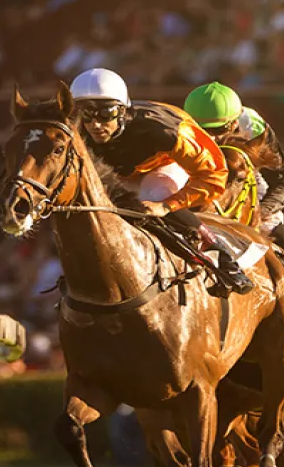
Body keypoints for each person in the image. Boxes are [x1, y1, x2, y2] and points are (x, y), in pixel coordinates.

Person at [68, 68, 254, 296]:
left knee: (150, 197)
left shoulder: (166, 131)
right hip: (121, 172)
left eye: (105, 114)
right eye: (86, 114)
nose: (95, 124)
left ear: (122, 111)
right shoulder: (75, 130)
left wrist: (166, 206)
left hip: (165, 165)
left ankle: (222, 255)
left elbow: (214, 176)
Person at [183, 81, 284, 318]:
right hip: (199, 172)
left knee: (269, 222)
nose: (211, 138)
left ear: (235, 123)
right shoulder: (180, 127)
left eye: (218, 130)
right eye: (204, 131)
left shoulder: (253, 128)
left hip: (244, 169)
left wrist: (262, 210)